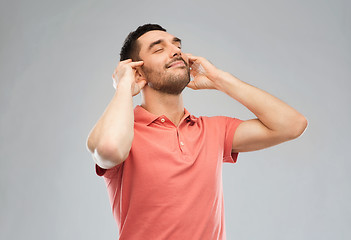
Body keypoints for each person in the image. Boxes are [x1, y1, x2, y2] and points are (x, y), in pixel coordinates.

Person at [86, 24, 307, 240]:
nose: (175, 51)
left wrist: (219, 80)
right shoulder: (125, 134)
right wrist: (124, 85)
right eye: (159, 49)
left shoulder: (213, 130)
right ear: (138, 71)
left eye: (177, 46)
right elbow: (109, 150)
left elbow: (292, 125)